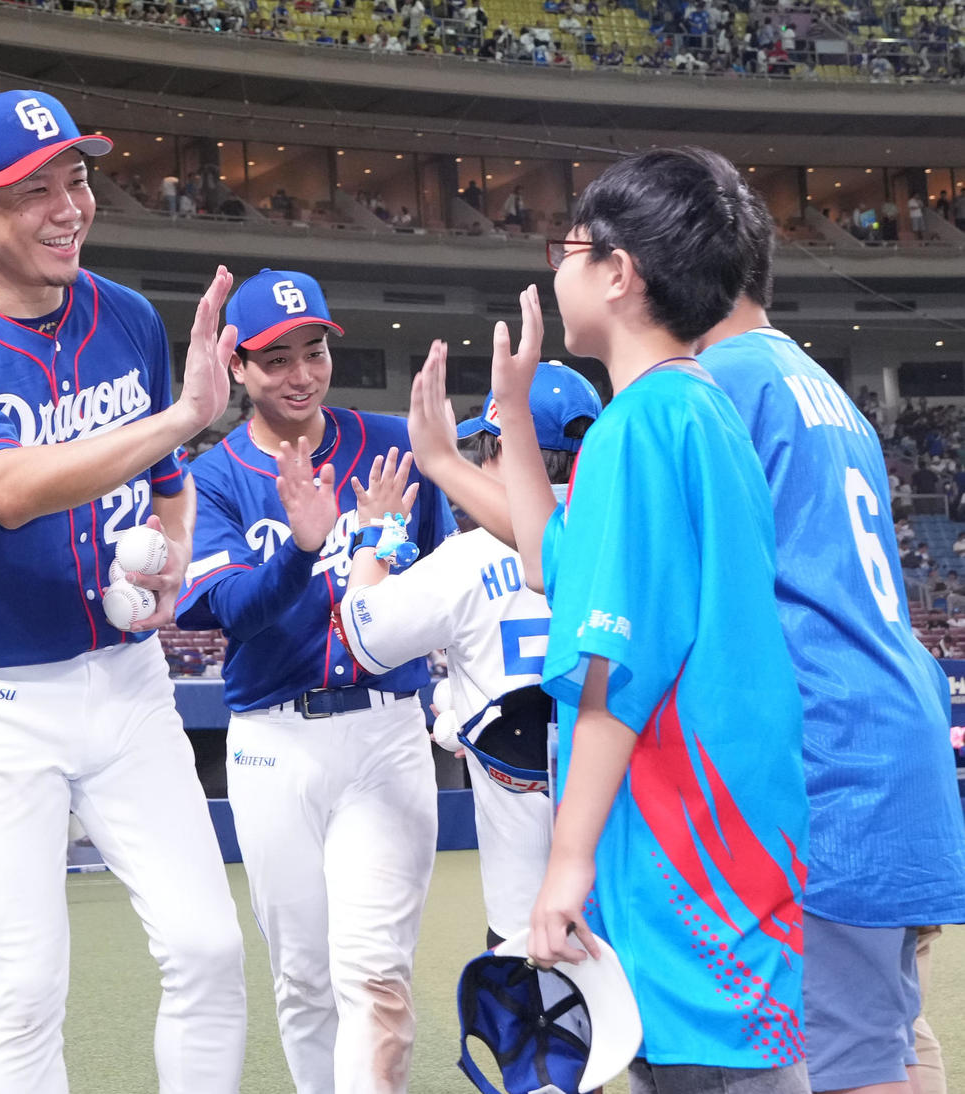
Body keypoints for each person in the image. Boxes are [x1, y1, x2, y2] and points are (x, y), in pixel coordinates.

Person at [406, 147, 809, 1091]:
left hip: (684, 843)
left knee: (706, 1075)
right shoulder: (696, 409)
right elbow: (557, 562)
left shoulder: (639, 426)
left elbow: (612, 679)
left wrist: (565, 866)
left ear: (619, 273)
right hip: (729, 834)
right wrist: (506, 421)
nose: (556, 266)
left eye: (570, 247)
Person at [0, 90, 246, 1094]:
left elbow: (167, 490)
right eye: (31, 190)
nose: (65, 207)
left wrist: (171, 557)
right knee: (24, 980)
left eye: (76, 178)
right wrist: (181, 418)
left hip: (126, 681)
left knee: (210, 945)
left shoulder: (124, 316)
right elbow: (4, 490)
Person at [697, 180, 965, 1094]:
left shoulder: (719, 385)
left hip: (831, 757)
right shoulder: (821, 386)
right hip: (891, 738)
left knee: (846, 1060)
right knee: (891, 1034)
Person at [176, 269, 457, 1094]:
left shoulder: (388, 444)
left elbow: (444, 577)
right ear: (237, 367)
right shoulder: (215, 475)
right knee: (302, 977)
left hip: (385, 730)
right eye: (276, 360)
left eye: (314, 351)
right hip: (274, 741)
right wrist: (304, 551)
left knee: (374, 969)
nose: (300, 374)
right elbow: (227, 610)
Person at [337, 365, 599, 950]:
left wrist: (376, 535)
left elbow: (363, 637)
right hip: (630, 875)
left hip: (524, 911)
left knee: (534, 1020)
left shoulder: (470, 556)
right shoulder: (629, 539)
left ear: (504, 448)